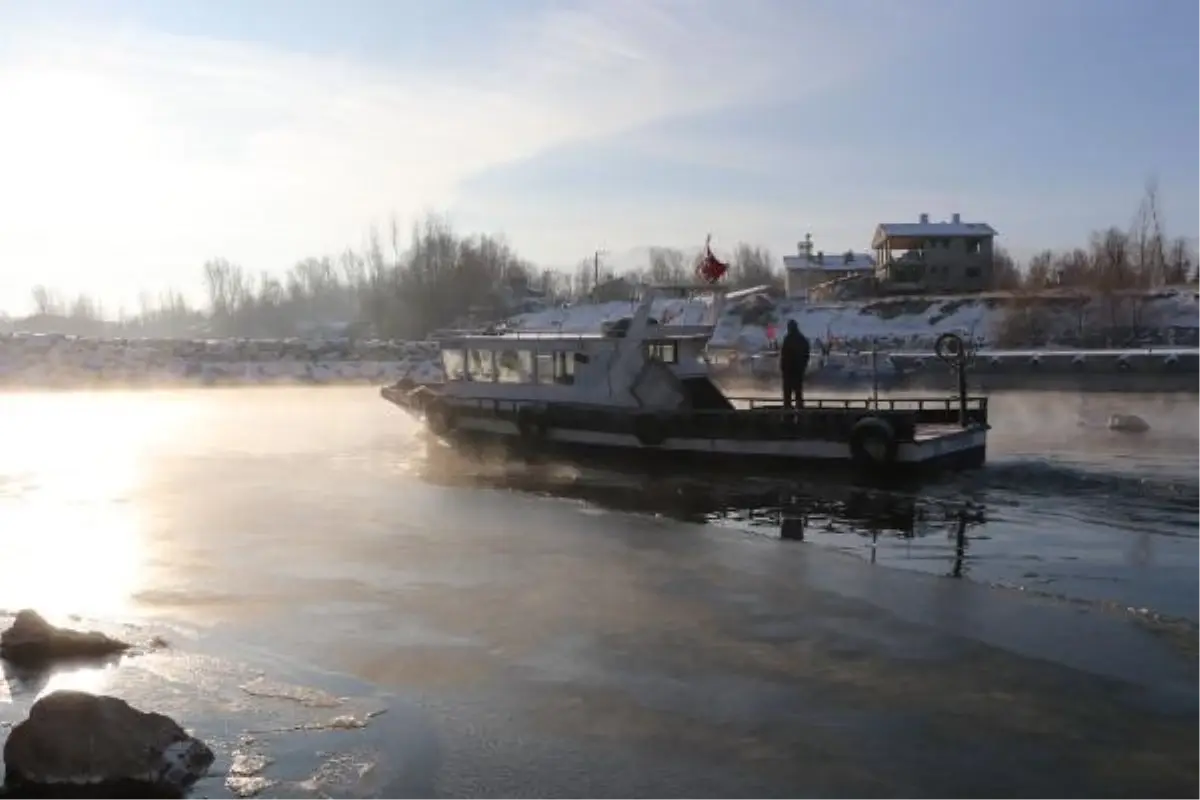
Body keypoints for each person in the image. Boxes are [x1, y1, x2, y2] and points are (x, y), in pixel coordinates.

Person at [779, 319, 810, 409]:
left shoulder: (788, 339)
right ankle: (800, 412)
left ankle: (787, 414)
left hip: (788, 371)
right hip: (798, 371)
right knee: (798, 393)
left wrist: (783, 368)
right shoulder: (802, 339)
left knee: (787, 395)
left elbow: (784, 355)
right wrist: (803, 367)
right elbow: (806, 355)